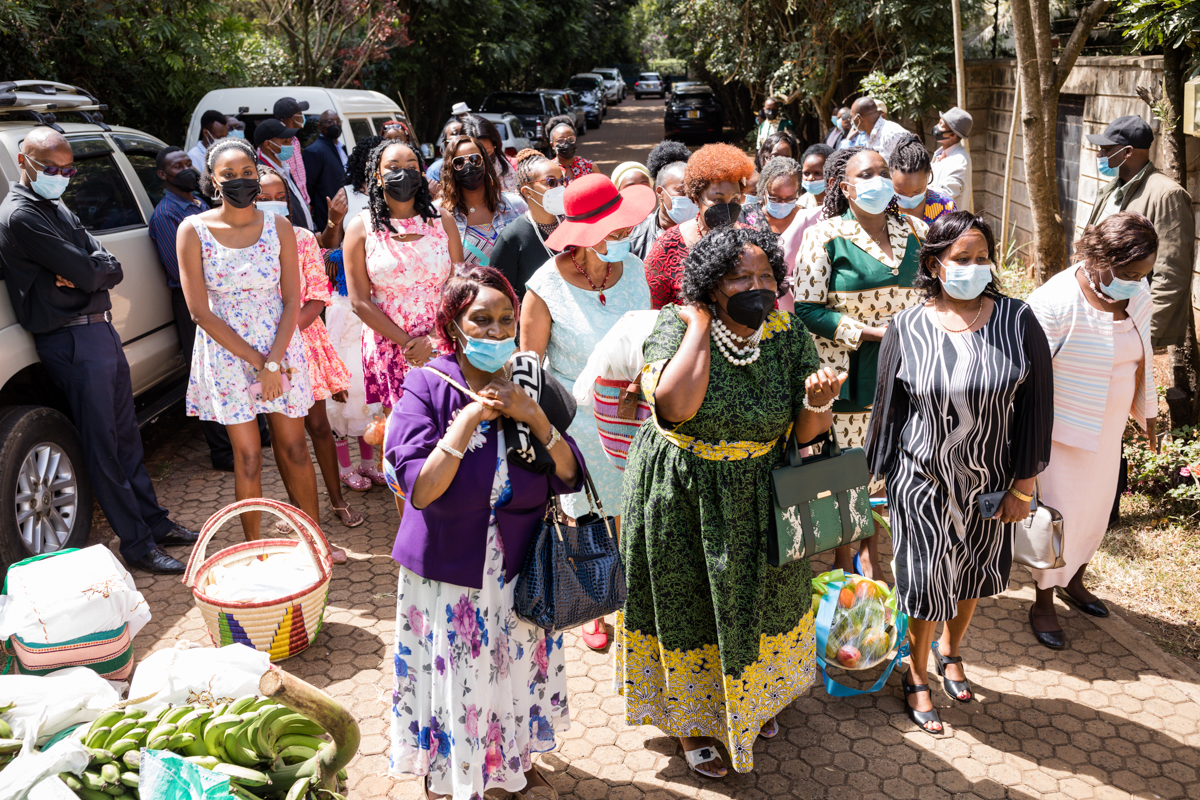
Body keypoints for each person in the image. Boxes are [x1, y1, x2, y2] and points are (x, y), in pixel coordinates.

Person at [618, 226, 843, 777]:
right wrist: (697, 325)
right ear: (711, 285)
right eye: (741, 276)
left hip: (762, 490)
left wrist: (821, 403)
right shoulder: (673, 327)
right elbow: (674, 408)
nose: (757, 285)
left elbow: (809, 432)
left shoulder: (786, 333)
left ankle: (752, 698)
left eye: (766, 275)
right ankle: (693, 721)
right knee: (690, 602)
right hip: (685, 493)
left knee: (763, 597)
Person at [385, 266, 584, 800]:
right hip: (452, 568)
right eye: (481, 320)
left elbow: (570, 475)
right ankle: (451, 771)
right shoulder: (428, 384)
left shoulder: (530, 382)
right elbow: (419, 489)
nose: (496, 332)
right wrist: (468, 421)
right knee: (463, 670)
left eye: (504, 321)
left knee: (514, 665)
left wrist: (534, 418)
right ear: (454, 325)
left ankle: (510, 759)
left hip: (520, 563)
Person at [865, 211, 1053, 734]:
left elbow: (1038, 408)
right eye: (962, 259)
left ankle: (952, 652)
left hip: (992, 482)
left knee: (968, 576)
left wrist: (1024, 486)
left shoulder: (1019, 321)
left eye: (983, 258)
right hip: (920, 479)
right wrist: (875, 482)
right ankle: (918, 674)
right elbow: (888, 412)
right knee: (925, 582)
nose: (976, 267)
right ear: (934, 263)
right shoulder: (906, 326)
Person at [0, 128, 198, 574]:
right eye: (50, 169)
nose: (61, 177)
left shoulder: (55, 205)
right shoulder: (20, 216)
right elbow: (92, 276)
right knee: (103, 445)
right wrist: (91, 273)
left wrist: (91, 271)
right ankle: (137, 544)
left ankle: (154, 521)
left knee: (127, 437)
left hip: (99, 332)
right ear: (22, 160)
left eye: (67, 169)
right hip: (70, 338)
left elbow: (108, 266)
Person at [521, 172, 654, 651]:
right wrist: (542, 432)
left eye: (624, 229)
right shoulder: (544, 287)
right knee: (585, 510)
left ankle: (633, 591)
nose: (622, 238)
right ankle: (593, 599)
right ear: (584, 234)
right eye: (612, 231)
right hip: (576, 420)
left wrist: (643, 378)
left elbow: (649, 335)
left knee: (631, 505)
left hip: (633, 412)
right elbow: (530, 368)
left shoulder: (635, 270)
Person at [176, 138, 323, 547]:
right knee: (249, 456)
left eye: (247, 174)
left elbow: (292, 297)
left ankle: (313, 544)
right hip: (228, 354)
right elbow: (199, 312)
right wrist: (258, 362)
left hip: (280, 348)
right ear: (213, 181)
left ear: (256, 176)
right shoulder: (193, 230)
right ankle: (256, 550)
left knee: (294, 448)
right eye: (229, 175)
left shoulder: (278, 227)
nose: (240, 182)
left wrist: (274, 362)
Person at [1025, 213, 1158, 649]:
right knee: (1057, 520)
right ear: (1098, 257)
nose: (1137, 282)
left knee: (1096, 513)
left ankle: (1075, 582)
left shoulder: (1137, 292)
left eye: (1144, 274)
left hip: (1109, 431)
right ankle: (1043, 601)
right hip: (1061, 435)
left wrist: (1149, 414)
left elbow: (1145, 354)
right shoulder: (1055, 301)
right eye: (1129, 273)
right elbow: (1026, 375)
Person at [794, 146, 928, 581]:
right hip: (850, 375)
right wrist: (870, 333)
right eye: (866, 174)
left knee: (897, 468)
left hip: (910, 374)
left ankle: (876, 556)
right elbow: (807, 309)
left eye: (883, 172)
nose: (879, 180)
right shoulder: (825, 235)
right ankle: (843, 564)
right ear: (846, 187)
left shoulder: (918, 230)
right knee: (851, 472)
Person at [256, 165, 362, 531]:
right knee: (285, 435)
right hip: (262, 353)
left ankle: (336, 501)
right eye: (262, 198)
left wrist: (280, 344)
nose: (272, 204)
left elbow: (316, 299)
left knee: (319, 426)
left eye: (278, 198)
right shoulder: (244, 243)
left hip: (302, 343)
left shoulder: (301, 239)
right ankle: (297, 508)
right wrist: (267, 352)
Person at [149, 146, 260, 472]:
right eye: (176, 166)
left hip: (230, 300)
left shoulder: (197, 203)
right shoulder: (168, 214)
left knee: (247, 369)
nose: (184, 168)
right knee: (219, 379)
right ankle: (223, 450)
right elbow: (179, 268)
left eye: (187, 163)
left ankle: (257, 431)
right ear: (162, 175)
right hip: (195, 303)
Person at [345, 140, 464, 414]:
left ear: (421, 174)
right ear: (377, 175)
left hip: (442, 337)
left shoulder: (442, 220)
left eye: (411, 167)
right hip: (389, 344)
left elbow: (459, 285)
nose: (403, 174)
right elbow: (359, 301)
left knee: (450, 423)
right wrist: (409, 343)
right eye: (393, 167)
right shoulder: (360, 228)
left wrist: (432, 338)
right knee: (404, 431)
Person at [1085, 115, 1195, 348]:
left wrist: (1147, 333)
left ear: (1127, 152)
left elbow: (1171, 273)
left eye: (1106, 149)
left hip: (1132, 320)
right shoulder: (1109, 191)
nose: (1100, 155)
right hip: (1096, 313)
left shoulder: (1166, 195)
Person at [644, 143, 753, 310]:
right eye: (717, 200)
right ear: (695, 198)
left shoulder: (753, 241)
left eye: (735, 200)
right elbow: (653, 313)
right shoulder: (668, 246)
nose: (727, 207)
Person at [744, 156, 824, 313]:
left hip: (800, 305)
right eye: (775, 197)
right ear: (763, 190)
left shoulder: (809, 219)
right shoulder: (745, 216)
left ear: (798, 192)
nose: (782, 203)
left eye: (789, 198)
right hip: (754, 302)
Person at [439, 134, 525, 269]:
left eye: (475, 159)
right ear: (450, 169)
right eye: (459, 162)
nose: (468, 166)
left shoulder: (515, 206)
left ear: (485, 163)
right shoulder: (439, 215)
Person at [490, 149, 565, 302]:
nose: (559, 188)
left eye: (562, 181)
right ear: (527, 192)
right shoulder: (511, 237)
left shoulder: (572, 225)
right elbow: (499, 294)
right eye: (551, 182)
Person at [629, 143, 691, 261]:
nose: (689, 198)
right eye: (682, 191)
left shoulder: (706, 231)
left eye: (693, 191)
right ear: (660, 192)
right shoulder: (636, 236)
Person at [254, 118, 315, 232]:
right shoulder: (264, 176)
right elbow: (274, 218)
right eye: (285, 142)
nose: (290, 145)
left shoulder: (284, 168)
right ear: (268, 144)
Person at [303, 109, 351, 234]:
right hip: (327, 215)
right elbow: (309, 186)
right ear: (320, 126)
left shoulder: (342, 148)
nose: (335, 125)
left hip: (347, 211)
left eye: (337, 121)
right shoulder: (314, 151)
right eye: (329, 122)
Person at [890, 135, 956, 225]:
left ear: (929, 174)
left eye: (917, 192)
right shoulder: (880, 207)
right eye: (900, 192)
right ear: (890, 176)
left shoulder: (946, 207)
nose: (909, 198)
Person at [930, 107, 974, 212]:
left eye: (941, 125)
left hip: (949, 225)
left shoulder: (960, 161)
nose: (937, 127)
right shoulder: (939, 153)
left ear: (952, 135)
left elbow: (944, 195)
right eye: (938, 123)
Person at [461, 114, 520, 193]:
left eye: (487, 152)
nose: (484, 158)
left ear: (495, 144)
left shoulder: (514, 168)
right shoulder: (457, 173)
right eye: (476, 156)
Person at [840, 97, 909, 161]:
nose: (851, 121)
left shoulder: (892, 134)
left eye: (852, 117)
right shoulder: (868, 136)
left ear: (858, 118)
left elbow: (912, 164)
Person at [273, 97, 312, 206]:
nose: (302, 117)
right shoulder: (276, 144)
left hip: (304, 202)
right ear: (294, 117)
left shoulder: (295, 141)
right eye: (300, 113)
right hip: (290, 204)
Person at [426, 117, 467, 197]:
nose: (460, 136)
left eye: (463, 132)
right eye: (455, 133)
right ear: (446, 143)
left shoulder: (476, 162)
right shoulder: (435, 170)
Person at [548, 117, 594, 185]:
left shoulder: (589, 167)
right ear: (552, 145)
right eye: (560, 141)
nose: (566, 144)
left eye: (571, 139)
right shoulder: (548, 170)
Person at [187, 110, 228, 176]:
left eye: (225, 137)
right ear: (206, 133)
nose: (223, 141)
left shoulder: (223, 154)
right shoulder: (194, 157)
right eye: (220, 137)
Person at [799, 143, 833, 209]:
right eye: (806, 173)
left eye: (818, 173)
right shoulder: (801, 203)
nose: (810, 178)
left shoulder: (843, 203)